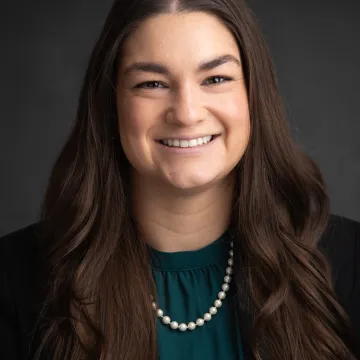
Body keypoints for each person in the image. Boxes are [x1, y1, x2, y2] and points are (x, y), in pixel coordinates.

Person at [0, 0, 359, 359]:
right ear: (111, 105)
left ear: (253, 95)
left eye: (216, 79)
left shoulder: (349, 262)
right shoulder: (15, 280)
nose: (186, 113)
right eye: (152, 83)